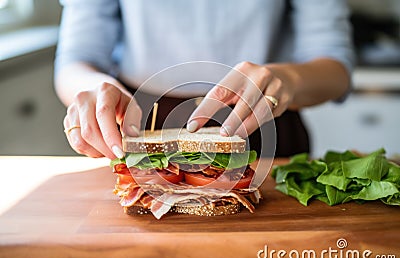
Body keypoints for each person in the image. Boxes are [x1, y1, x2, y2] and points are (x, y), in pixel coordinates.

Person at [56, 0, 354, 159]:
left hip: (263, 124)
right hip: (140, 123)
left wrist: (286, 79)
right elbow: (76, 60)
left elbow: (336, 69)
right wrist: (94, 91)